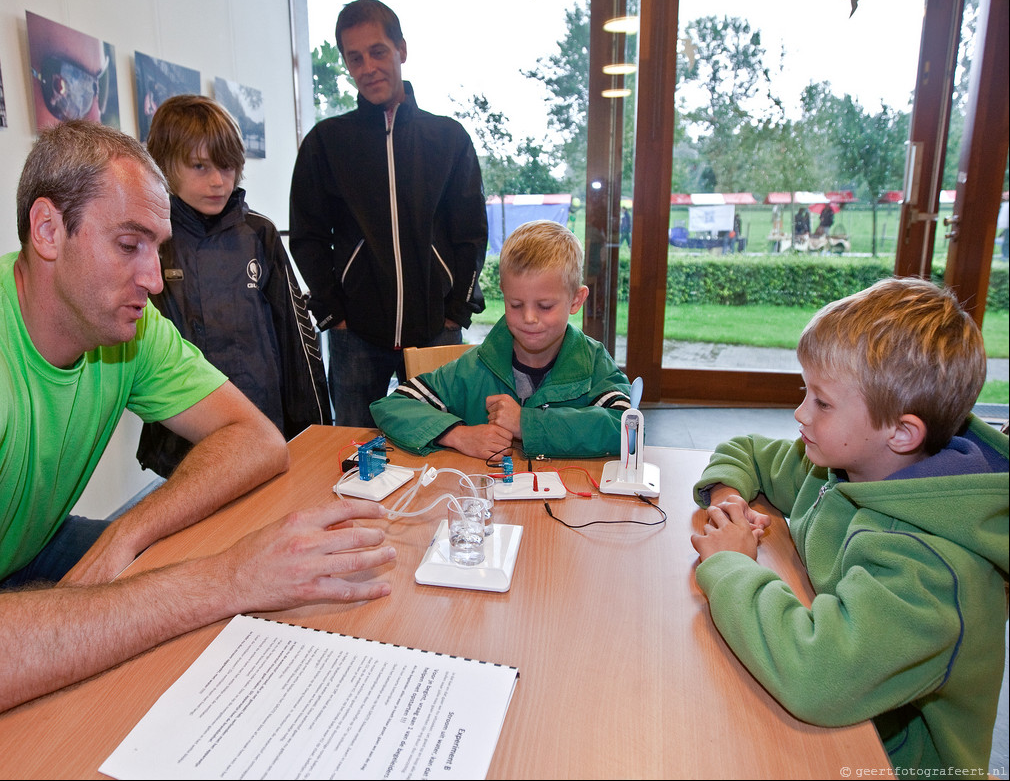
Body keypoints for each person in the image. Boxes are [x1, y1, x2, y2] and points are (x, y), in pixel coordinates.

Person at [0, 120, 396, 767]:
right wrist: (222, 580)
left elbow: (254, 439)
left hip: (12, 546)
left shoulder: (129, 326)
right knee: (56, 729)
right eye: (129, 244)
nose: (154, 278)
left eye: (158, 248)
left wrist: (126, 535)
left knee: (188, 577)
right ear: (48, 230)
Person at [690, 277, 1008, 776]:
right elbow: (747, 450)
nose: (800, 412)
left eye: (822, 402)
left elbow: (815, 677)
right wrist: (729, 500)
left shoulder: (931, 570)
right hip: (842, 731)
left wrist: (731, 562)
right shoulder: (847, 466)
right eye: (805, 392)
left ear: (901, 433)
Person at [289, 0, 488, 428]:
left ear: (401, 49)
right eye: (354, 57)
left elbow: (471, 233)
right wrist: (333, 313)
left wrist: (457, 310)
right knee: (354, 453)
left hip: (437, 328)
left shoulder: (448, 138)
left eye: (378, 51)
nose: (368, 67)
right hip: (355, 334)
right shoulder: (326, 143)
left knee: (444, 442)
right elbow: (307, 235)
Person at [136, 95, 329, 478]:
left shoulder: (260, 235)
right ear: (163, 164)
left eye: (227, 167)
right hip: (184, 440)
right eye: (199, 166)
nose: (217, 181)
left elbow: (298, 342)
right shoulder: (153, 242)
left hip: (264, 422)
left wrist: (316, 429)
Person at [370, 220, 631, 459]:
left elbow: (627, 428)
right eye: (516, 304)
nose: (529, 318)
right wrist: (457, 435)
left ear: (576, 300)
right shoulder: (474, 367)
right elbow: (393, 405)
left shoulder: (593, 362)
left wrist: (526, 424)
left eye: (545, 306)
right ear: (503, 294)